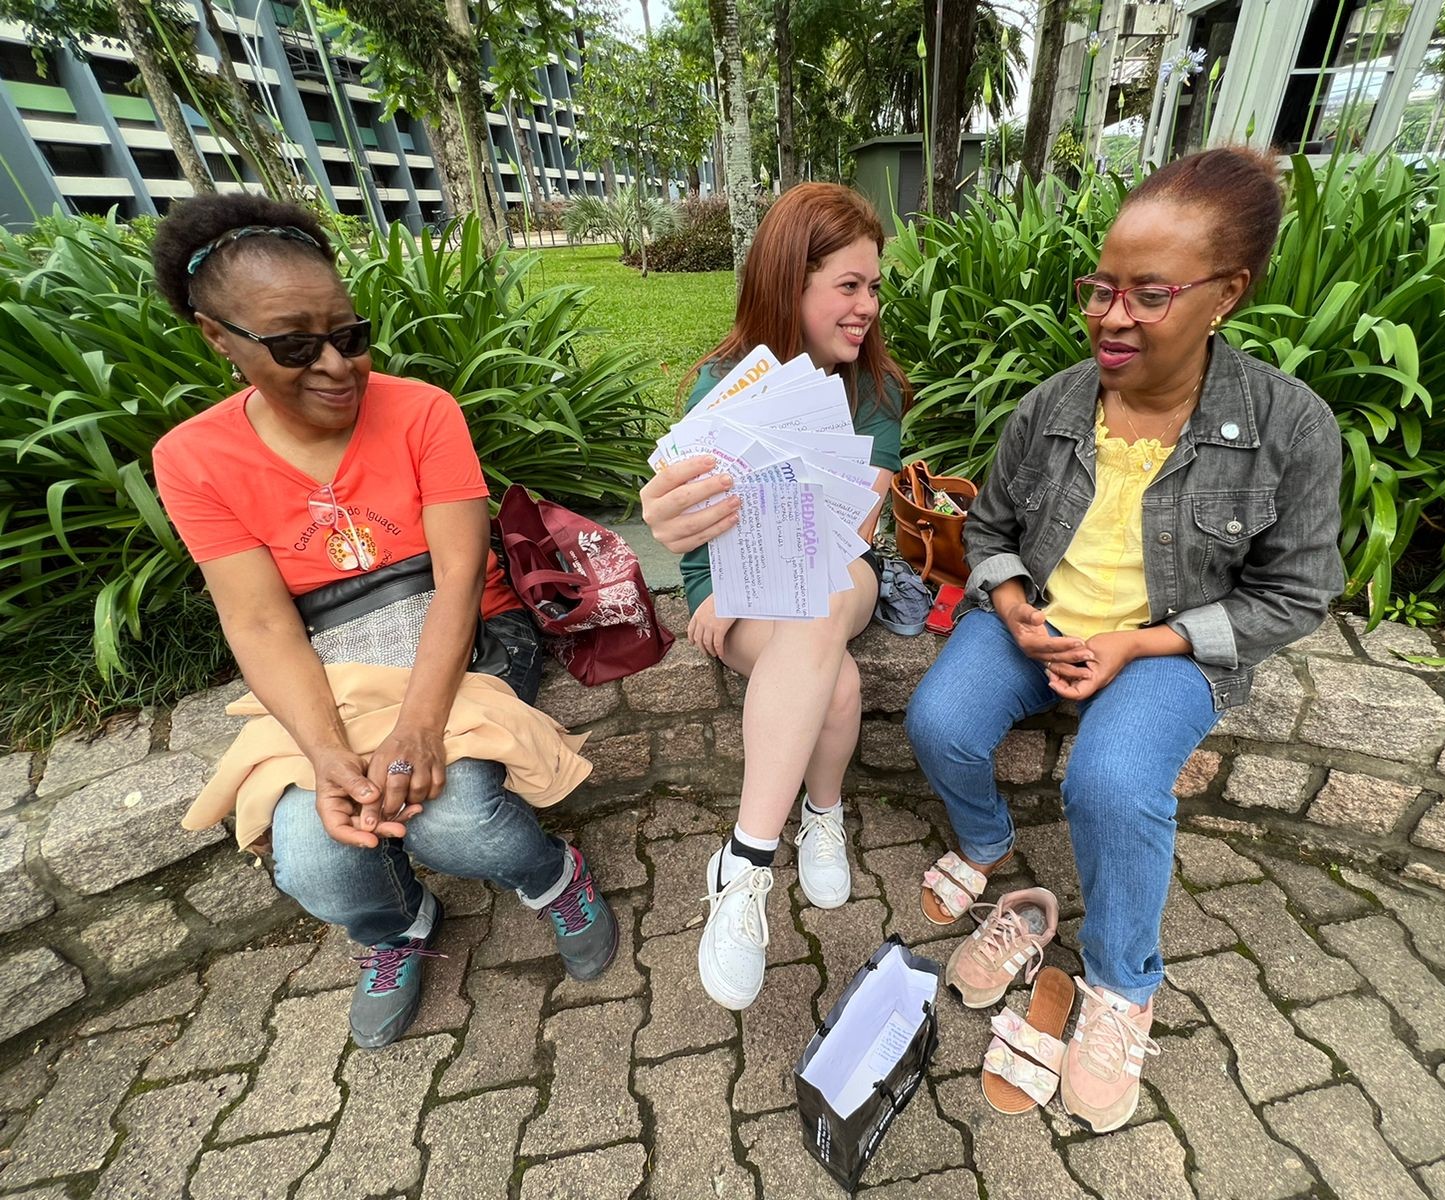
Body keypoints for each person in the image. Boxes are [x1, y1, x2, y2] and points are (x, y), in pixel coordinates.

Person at [904, 147, 1343, 1132]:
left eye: (1149, 293)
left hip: (1169, 648)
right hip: (1040, 620)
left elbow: (1296, 596)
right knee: (938, 720)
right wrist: (1011, 600)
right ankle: (986, 846)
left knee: (1107, 782)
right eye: (1101, 287)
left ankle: (1118, 984)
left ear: (1226, 293)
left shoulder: (1289, 427)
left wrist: (1138, 648)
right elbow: (989, 528)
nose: (1110, 314)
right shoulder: (1054, 406)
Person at [149, 194, 617, 1049]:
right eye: (295, 345)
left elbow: (460, 576)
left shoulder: (422, 411)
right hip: (327, 669)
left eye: (349, 335)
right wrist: (329, 756)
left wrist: (419, 728)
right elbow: (260, 627)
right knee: (318, 854)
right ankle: (395, 928)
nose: (336, 365)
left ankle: (554, 878)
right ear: (218, 337)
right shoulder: (193, 460)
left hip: (461, 640)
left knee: (461, 815)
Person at [639, 183, 907, 1010]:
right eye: (848, 286)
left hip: (836, 572)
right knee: (844, 682)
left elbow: (856, 530)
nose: (866, 306)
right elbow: (692, 522)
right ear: (791, 282)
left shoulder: (878, 391)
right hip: (737, 587)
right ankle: (820, 814)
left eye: (873, 285)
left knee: (824, 605)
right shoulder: (724, 385)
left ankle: (745, 864)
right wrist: (691, 551)